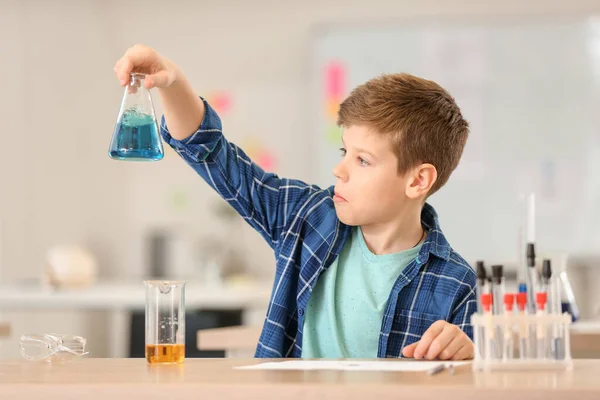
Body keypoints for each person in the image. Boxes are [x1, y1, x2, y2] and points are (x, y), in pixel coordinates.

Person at [114, 44, 476, 360]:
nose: (340, 170)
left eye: (362, 160)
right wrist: (173, 82)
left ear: (417, 180)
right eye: (344, 152)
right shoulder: (307, 218)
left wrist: (471, 354)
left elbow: (479, 378)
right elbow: (211, 153)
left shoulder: (457, 284)